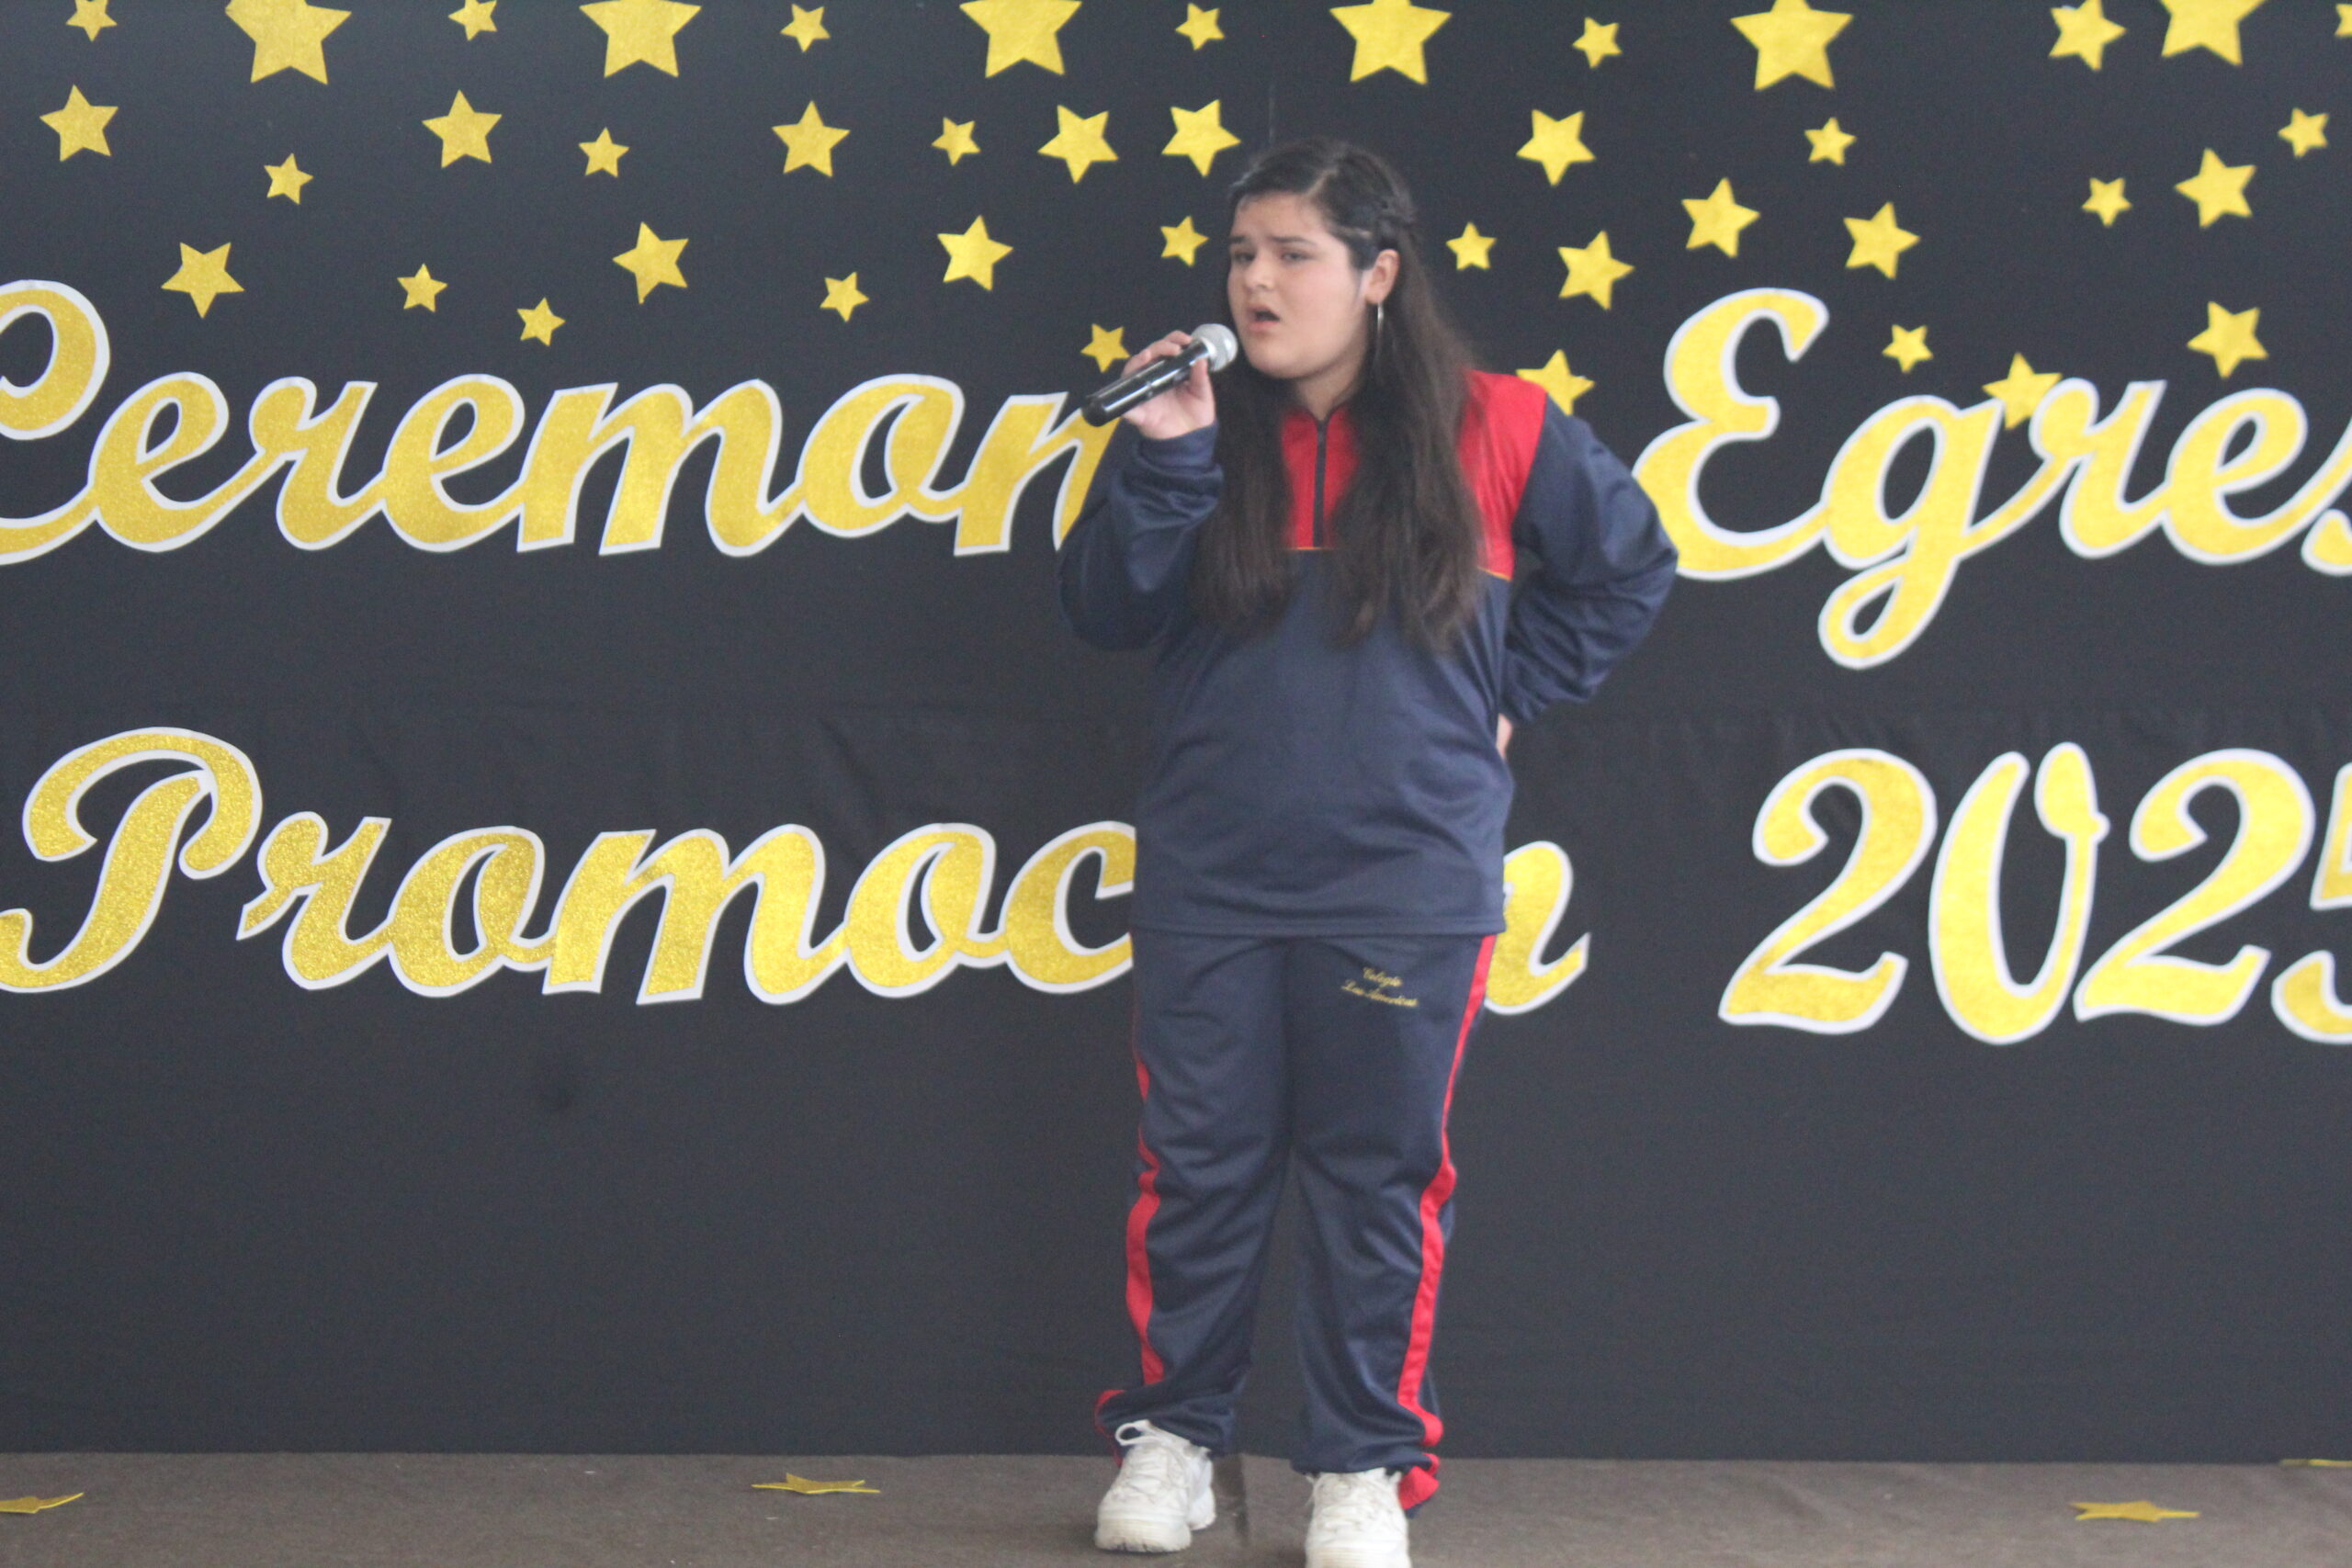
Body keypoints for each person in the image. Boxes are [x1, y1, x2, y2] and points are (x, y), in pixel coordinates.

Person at [1057, 137, 1677, 1566]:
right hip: (1214, 879)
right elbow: (1100, 610)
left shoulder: (1504, 423)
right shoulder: (1196, 423)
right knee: (1196, 1173)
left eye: (1294, 254)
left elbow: (1632, 568)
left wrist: (1507, 691)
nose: (1256, 282)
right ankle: (1174, 1439)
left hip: (1406, 887)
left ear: (1379, 273)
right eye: (1240, 254)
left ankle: (1361, 1466)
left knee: (1375, 1180)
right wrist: (1166, 457)